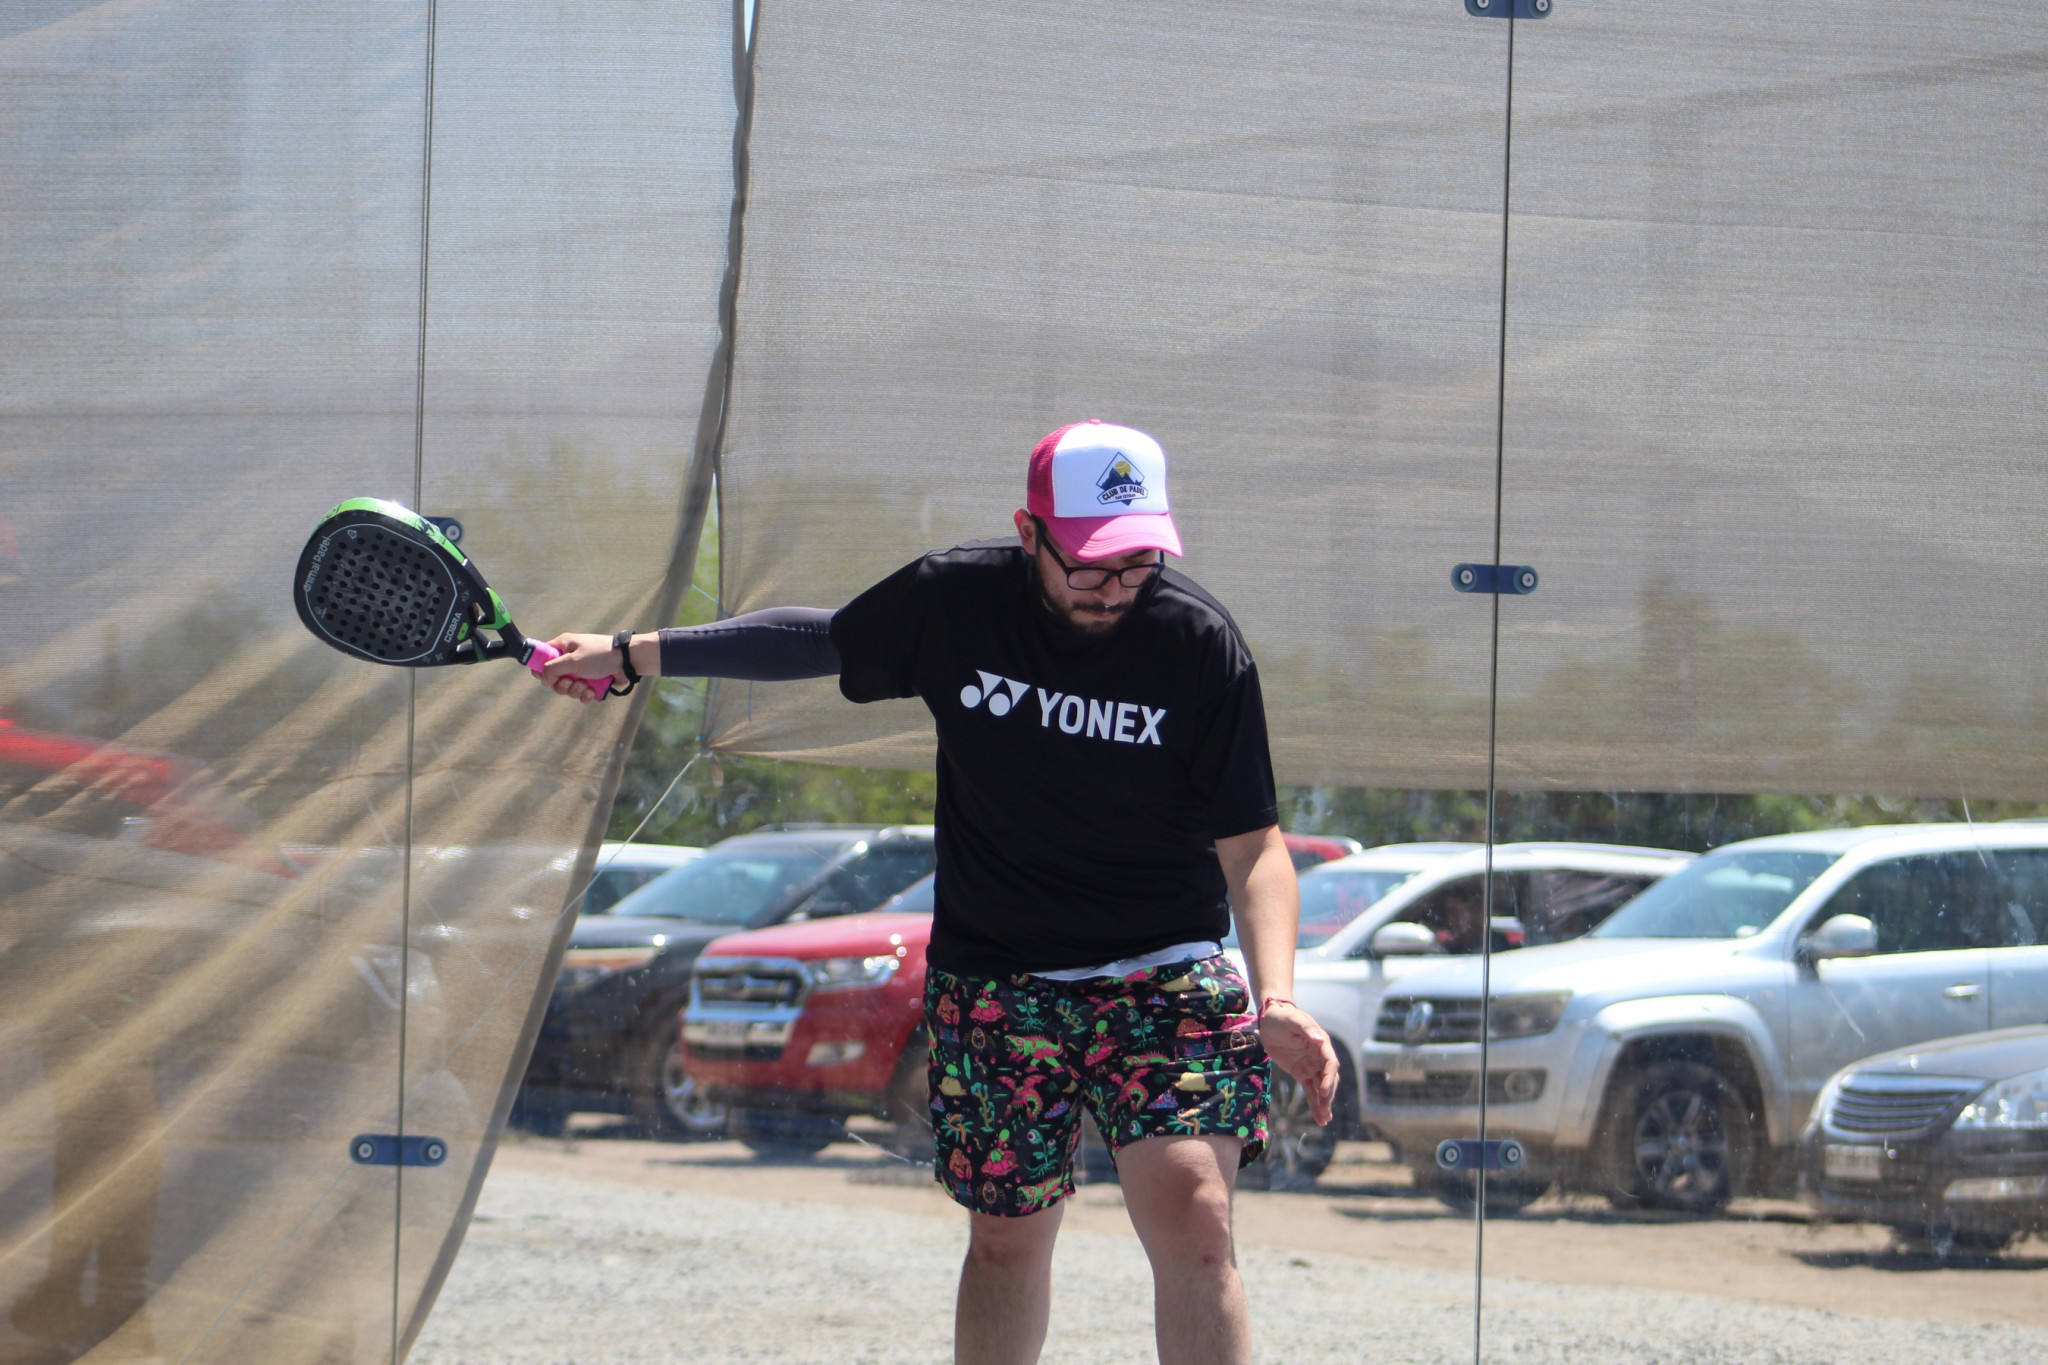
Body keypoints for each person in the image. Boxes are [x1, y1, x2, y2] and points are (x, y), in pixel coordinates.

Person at [538, 420, 1339, 1365]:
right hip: (997, 974)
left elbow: (1254, 845)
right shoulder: (957, 599)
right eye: (1090, 565)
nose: (1116, 588)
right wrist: (630, 652)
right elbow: (815, 639)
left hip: (1162, 969)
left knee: (1198, 1215)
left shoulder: (1198, 643)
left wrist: (1278, 993)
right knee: (1005, 1238)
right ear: (1029, 532)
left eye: (1138, 562)